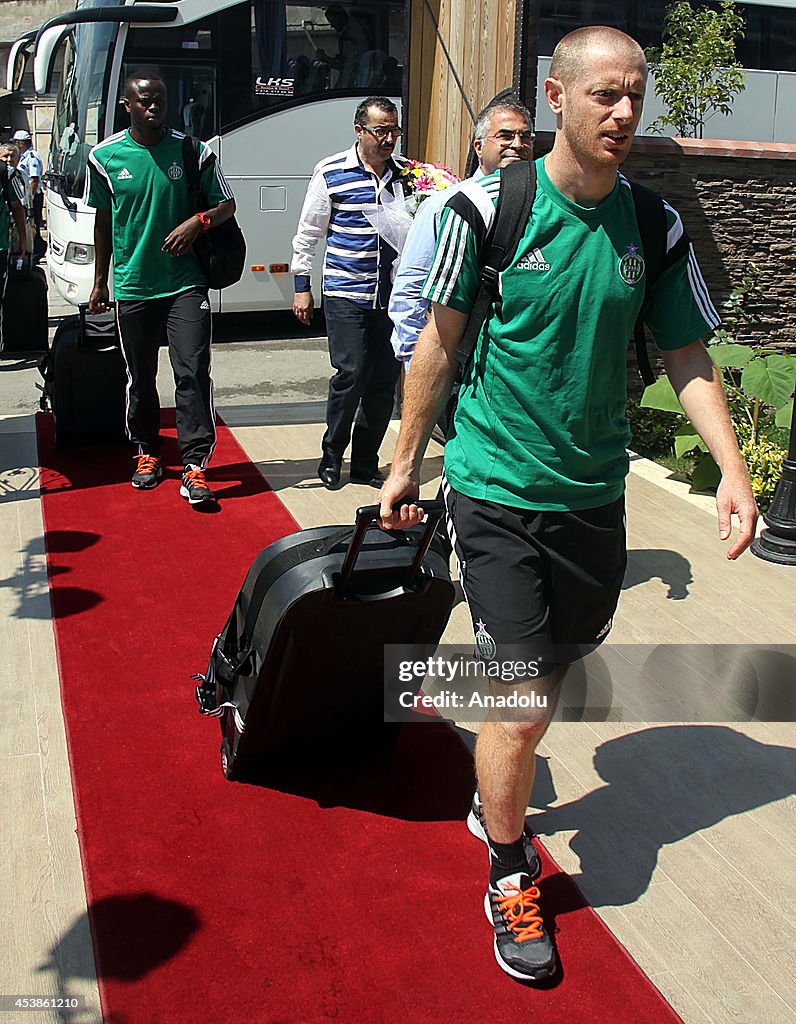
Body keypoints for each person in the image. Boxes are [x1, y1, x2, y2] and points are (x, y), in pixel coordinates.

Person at [379, 26, 758, 983]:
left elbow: (685, 355)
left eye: (636, 95)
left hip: (592, 493)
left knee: (554, 668)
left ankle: (466, 711)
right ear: (557, 99)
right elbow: (438, 344)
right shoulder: (486, 211)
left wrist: (734, 469)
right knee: (518, 697)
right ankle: (510, 867)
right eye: (605, 95)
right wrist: (404, 462)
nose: (625, 112)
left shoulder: (654, 225)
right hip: (496, 484)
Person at [85, 70, 236, 506]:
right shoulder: (105, 157)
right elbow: (102, 221)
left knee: (191, 372)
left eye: (161, 101)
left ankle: (194, 464)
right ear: (127, 105)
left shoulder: (193, 151)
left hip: (184, 285)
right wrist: (100, 280)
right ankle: (148, 451)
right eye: (145, 101)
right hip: (133, 285)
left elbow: (227, 204)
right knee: (141, 377)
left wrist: (197, 222)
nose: (154, 108)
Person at [291, 95, 407, 490]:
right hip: (345, 291)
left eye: (394, 130)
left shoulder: (409, 176)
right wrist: (302, 287)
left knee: (383, 381)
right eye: (380, 131)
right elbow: (308, 235)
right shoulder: (331, 172)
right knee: (351, 373)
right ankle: (331, 454)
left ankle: (364, 463)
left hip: (392, 296)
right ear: (359, 131)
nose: (389, 138)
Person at [389, 97, 534, 370]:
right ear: (478, 146)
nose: (518, 144)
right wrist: (417, 364)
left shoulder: (539, 205)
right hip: (457, 361)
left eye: (526, 137)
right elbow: (410, 289)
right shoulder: (446, 205)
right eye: (505, 135)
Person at [0, 147, 32, 353]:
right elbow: (16, 206)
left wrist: (23, 240)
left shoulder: (6, 171)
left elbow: (17, 206)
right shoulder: (5, 171)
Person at [12, 131, 45, 258]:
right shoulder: (23, 156)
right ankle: (37, 247)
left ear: (20, 143)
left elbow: (34, 180)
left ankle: (38, 250)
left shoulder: (32, 157)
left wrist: (29, 200)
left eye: (16, 142)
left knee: (33, 224)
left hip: (33, 197)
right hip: (26, 197)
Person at [0, 143, 31, 255]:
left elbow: (25, 199)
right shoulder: (6, 175)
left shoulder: (22, 176)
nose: (8, 160)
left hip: (21, 221)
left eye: (12, 156)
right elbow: (15, 205)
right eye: (5, 156)